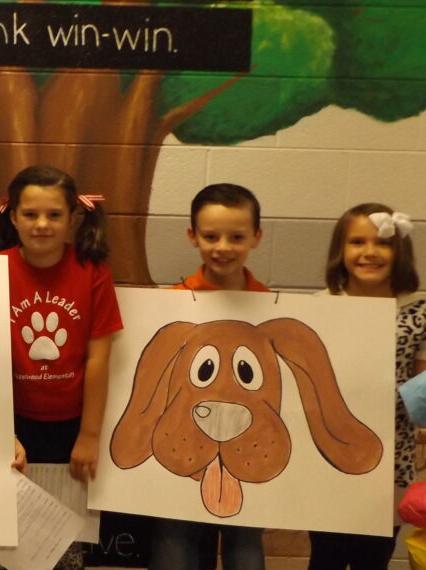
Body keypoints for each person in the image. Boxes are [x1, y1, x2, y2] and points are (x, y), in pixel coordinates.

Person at [307, 204, 426, 570]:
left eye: (382, 243)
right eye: (357, 242)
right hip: (328, 455)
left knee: (373, 558)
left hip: (390, 457)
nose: (370, 252)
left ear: (400, 251)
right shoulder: (319, 308)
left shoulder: (422, 313)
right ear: (340, 249)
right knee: (325, 556)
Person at [0, 166, 122, 570]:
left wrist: (89, 436)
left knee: (66, 546)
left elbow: (99, 357)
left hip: (71, 426)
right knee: (14, 539)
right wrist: (2, 432)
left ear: (72, 218)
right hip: (14, 425)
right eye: (30, 214)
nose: (42, 224)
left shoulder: (92, 272)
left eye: (54, 215)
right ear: (13, 216)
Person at [150, 183, 267, 570]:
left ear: (256, 237)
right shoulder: (169, 304)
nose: (223, 247)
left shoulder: (271, 307)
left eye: (237, 237)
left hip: (247, 447)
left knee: (245, 544)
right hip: (180, 445)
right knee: (174, 540)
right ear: (192, 235)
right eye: (211, 236)